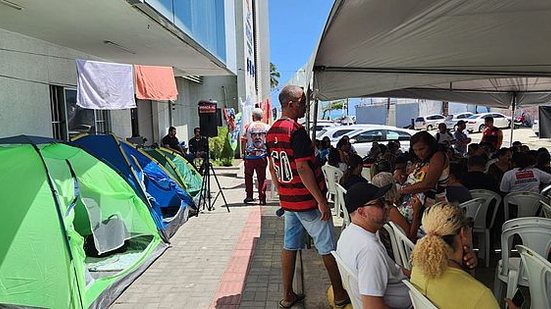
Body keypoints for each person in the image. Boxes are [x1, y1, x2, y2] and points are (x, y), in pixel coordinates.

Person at [266, 85, 349, 308]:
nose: (305, 105)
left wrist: (282, 194)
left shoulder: (272, 131)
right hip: (307, 201)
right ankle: (340, 295)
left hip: (290, 201)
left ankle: (287, 295)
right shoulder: (296, 131)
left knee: (290, 245)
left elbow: (273, 168)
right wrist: (321, 200)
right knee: (328, 246)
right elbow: (303, 168)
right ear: (291, 104)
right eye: (302, 102)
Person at [336, 182, 412, 309]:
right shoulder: (369, 250)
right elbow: (373, 306)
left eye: (385, 201)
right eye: (380, 204)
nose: (387, 207)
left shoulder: (349, 234)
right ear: (361, 212)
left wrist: (415, 275)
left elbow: (391, 268)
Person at [410, 202, 499, 309]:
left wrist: (469, 270)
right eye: (469, 225)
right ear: (463, 233)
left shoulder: (417, 270)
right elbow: (466, 291)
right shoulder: (481, 296)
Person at [393, 131, 449, 240]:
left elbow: (428, 184)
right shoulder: (422, 160)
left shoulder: (438, 156)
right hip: (417, 206)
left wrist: (403, 191)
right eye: (415, 150)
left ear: (430, 146)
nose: (419, 153)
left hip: (432, 207)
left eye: (422, 149)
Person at [242, 108, 270, 205]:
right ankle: (262, 198)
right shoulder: (267, 127)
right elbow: (270, 141)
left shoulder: (248, 126)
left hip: (250, 157)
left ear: (253, 116)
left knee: (248, 176)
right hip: (262, 156)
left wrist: (243, 153)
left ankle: (249, 196)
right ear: (262, 117)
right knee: (262, 178)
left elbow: (243, 139)